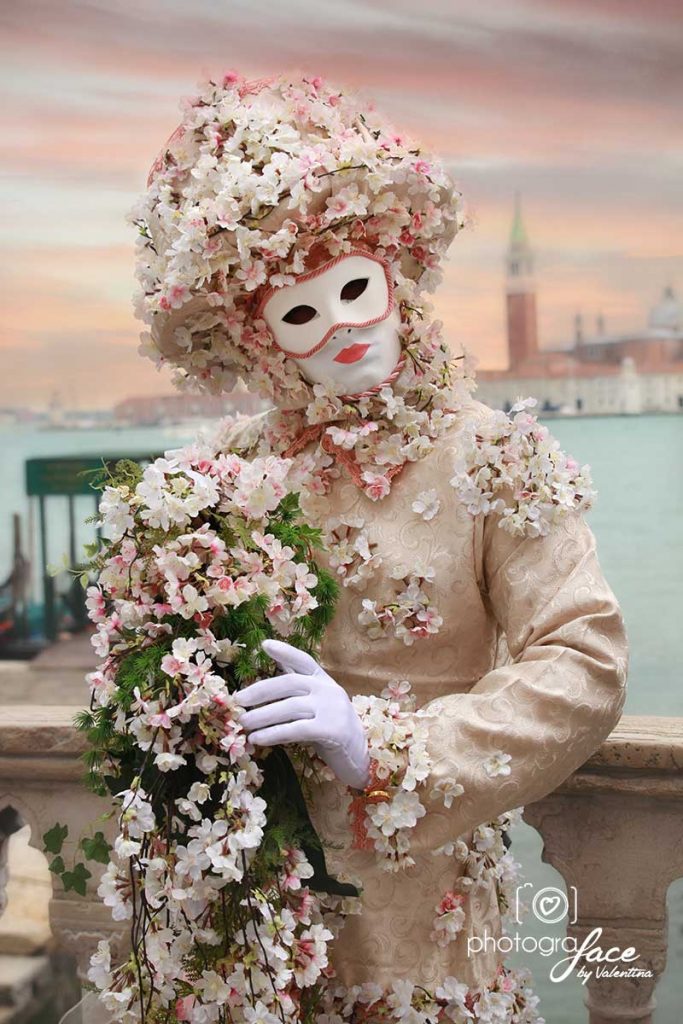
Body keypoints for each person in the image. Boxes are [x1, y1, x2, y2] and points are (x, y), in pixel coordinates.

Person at [131, 70, 629, 1021]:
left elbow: (583, 659)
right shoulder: (222, 474)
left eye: (354, 287)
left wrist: (386, 750)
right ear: (262, 339)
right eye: (302, 313)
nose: (345, 326)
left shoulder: (494, 454)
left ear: (393, 271)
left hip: (418, 891)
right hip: (242, 904)